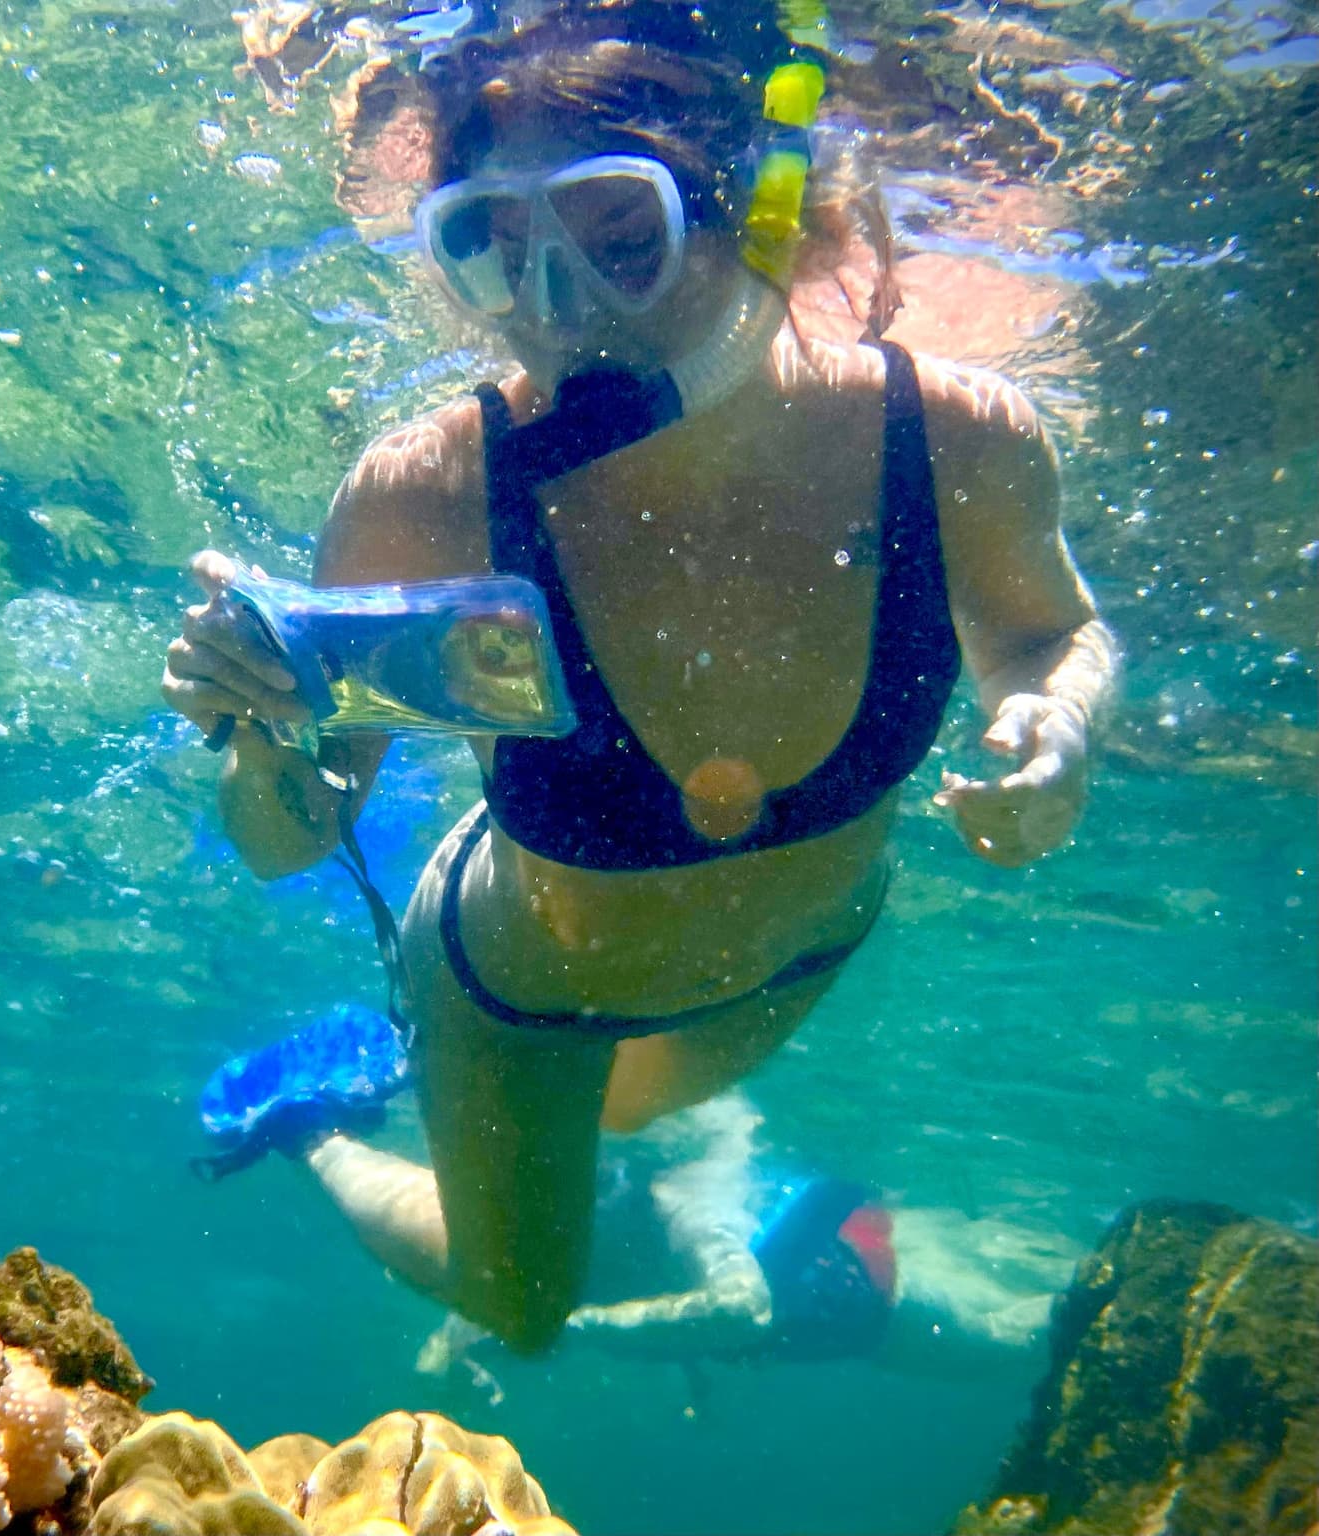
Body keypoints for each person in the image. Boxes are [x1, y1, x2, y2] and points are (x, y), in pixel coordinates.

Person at [161, 0, 1117, 1352]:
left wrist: (1056, 718)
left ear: (767, 211)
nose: (566, 318)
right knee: (524, 1306)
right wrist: (259, 741)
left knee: (636, 1116)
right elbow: (284, 843)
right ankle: (317, 1126)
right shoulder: (427, 493)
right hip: (520, 993)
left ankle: (591, 1149)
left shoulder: (949, 436)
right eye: (500, 255)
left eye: (625, 243)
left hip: (782, 977)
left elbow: (1047, 629)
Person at [409, 1093, 1073, 1395]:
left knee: (1033, 1336)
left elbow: (740, 1309)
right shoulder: (589, 1236)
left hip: (893, 1313)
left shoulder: (684, 1209)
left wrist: (573, 1328)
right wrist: (461, 1336)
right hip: (869, 1313)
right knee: (1039, 1328)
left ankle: (1146, 1282)